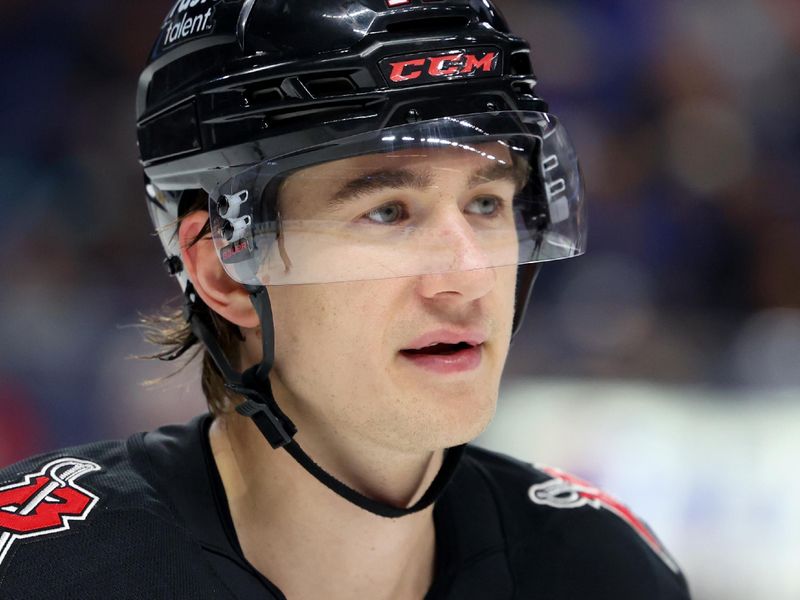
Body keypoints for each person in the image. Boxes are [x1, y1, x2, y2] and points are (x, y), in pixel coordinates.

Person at [0, 1, 691, 598]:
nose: (469, 273)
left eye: (486, 203)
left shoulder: (605, 569)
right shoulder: (42, 573)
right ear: (225, 272)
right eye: (388, 212)